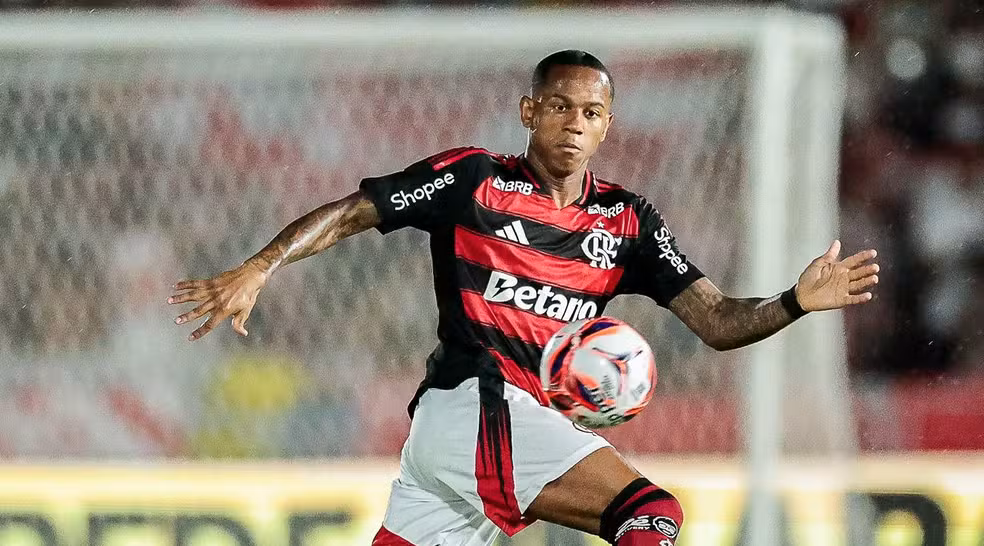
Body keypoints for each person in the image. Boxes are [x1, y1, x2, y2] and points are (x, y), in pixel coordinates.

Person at [168, 50, 879, 545]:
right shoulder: (474, 179)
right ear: (529, 111)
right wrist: (262, 265)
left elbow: (718, 320)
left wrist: (794, 301)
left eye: (591, 111)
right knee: (649, 514)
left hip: (488, 431)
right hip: (473, 404)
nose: (575, 123)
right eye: (560, 107)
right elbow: (358, 210)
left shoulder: (627, 221)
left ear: (608, 123)